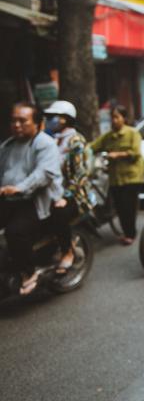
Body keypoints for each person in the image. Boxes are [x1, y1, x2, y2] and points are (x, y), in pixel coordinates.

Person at [0, 102, 62, 294]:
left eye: (22, 121)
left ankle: (28, 272)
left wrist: (19, 188)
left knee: (15, 232)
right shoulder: (7, 145)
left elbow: (43, 173)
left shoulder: (44, 143)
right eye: (13, 121)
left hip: (34, 202)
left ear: (36, 123)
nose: (17, 125)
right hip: (7, 200)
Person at [44, 100, 93, 273]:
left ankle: (67, 251)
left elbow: (80, 174)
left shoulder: (75, 141)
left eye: (51, 117)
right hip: (52, 193)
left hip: (75, 196)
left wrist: (66, 197)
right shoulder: (51, 140)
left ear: (64, 119)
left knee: (58, 214)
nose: (48, 120)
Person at [89, 105, 144, 245]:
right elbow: (92, 147)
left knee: (128, 207)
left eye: (117, 117)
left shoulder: (133, 133)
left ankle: (130, 234)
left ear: (124, 118)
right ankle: (127, 232)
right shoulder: (108, 137)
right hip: (115, 178)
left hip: (132, 177)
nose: (114, 121)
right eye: (112, 118)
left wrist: (118, 155)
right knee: (120, 207)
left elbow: (135, 153)